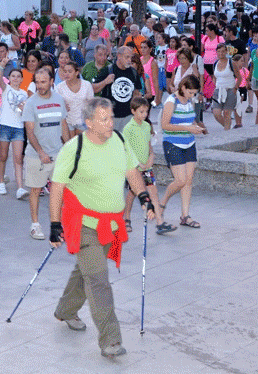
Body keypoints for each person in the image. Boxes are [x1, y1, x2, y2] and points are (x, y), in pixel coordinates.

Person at [48, 97, 155, 358]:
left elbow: (131, 172)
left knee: (86, 270)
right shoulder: (74, 148)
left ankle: (65, 310)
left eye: (111, 117)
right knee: (98, 280)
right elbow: (57, 188)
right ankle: (111, 340)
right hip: (82, 223)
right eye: (104, 119)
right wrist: (53, 224)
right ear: (89, 123)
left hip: (111, 223)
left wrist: (143, 197)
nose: (111, 123)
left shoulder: (118, 140)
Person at [22, 68, 70, 240]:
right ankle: (35, 225)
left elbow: (63, 125)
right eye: (37, 82)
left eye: (43, 82)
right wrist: (41, 152)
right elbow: (29, 131)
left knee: (60, 190)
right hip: (36, 156)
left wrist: (70, 147)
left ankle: (59, 225)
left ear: (51, 82)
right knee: (35, 189)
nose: (40, 85)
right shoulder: (31, 103)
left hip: (58, 153)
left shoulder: (59, 100)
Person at [122, 97, 176, 234]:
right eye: (141, 111)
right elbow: (126, 149)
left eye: (146, 111)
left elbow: (149, 147)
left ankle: (160, 222)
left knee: (153, 193)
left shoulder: (147, 126)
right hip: (134, 169)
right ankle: (126, 218)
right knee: (132, 193)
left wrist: (151, 158)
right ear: (133, 111)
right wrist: (137, 163)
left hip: (147, 168)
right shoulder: (128, 128)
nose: (144, 114)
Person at [160, 74, 204, 228]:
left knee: (188, 180)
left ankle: (185, 216)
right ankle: (162, 203)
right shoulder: (171, 101)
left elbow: (189, 119)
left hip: (189, 143)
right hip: (173, 143)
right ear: (183, 88)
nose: (193, 95)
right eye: (191, 92)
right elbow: (164, 125)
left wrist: (196, 127)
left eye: (195, 93)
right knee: (180, 180)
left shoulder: (189, 100)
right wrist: (187, 127)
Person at [0, 69, 29, 198]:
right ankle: (0, 182)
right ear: (9, 78)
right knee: (3, 155)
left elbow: (26, 112)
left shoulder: (25, 94)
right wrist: (2, 66)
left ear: (22, 79)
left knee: (18, 157)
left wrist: (23, 108)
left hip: (18, 128)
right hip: (4, 125)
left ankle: (20, 187)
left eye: (18, 76)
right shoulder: (6, 89)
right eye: (13, 76)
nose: (15, 78)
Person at [93, 46, 142, 132]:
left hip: (128, 116)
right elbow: (93, 89)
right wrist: (105, 82)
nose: (129, 60)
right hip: (111, 116)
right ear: (119, 56)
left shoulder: (133, 72)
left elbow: (136, 94)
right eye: (127, 57)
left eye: (131, 57)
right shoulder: (108, 70)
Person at [57, 62, 94, 137]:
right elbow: (57, 105)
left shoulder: (87, 85)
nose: (67, 74)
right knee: (69, 146)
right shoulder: (59, 87)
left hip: (83, 121)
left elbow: (92, 104)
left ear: (77, 72)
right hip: (67, 121)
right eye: (65, 71)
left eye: (70, 71)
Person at [211, 44, 241, 130]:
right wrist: (214, 88)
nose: (221, 53)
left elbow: (239, 78)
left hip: (230, 90)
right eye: (219, 51)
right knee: (216, 113)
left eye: (223, 51)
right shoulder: (215, 63)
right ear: (216, 52)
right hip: (218, 91)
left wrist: (235, 89)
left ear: (226, 52)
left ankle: (227, 132)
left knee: (227, 113)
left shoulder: (231, 63)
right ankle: (228, 127)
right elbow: (215, 77)